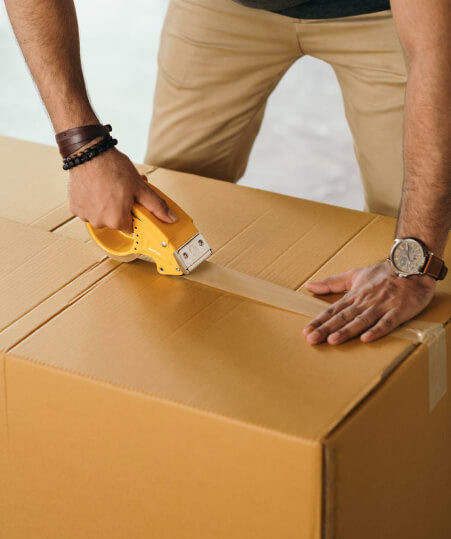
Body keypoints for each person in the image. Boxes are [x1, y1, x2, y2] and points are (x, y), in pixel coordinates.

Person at [5, 0, 450, 346]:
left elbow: (436, 53)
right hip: (222, 9)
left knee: (427, 239)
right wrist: (84, 148)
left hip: (381, 13)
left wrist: (413, 262)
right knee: (168, 189)